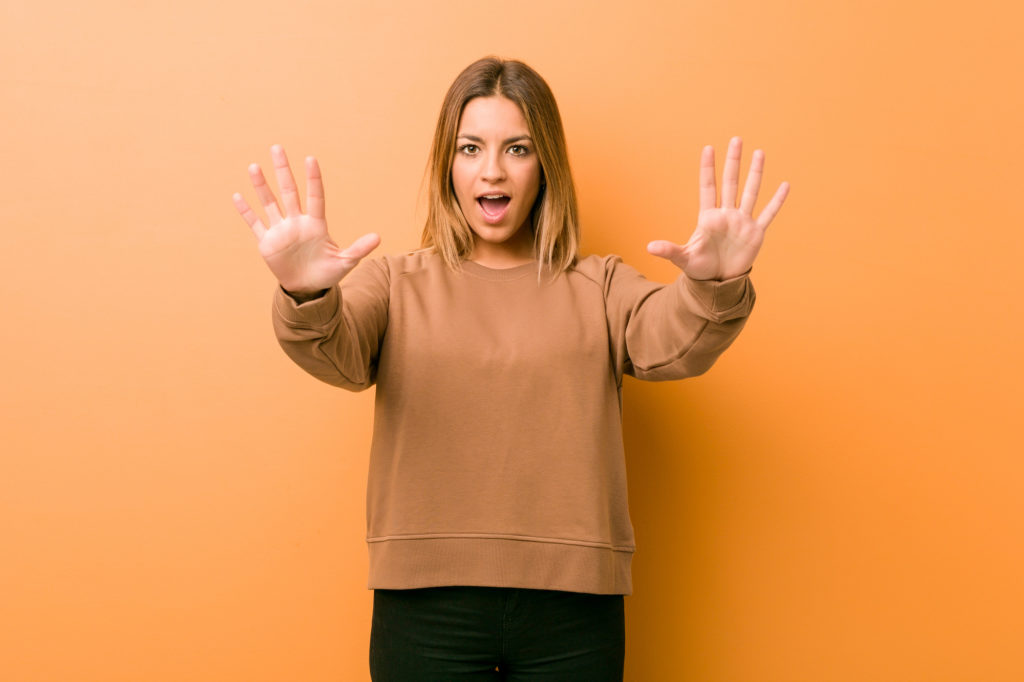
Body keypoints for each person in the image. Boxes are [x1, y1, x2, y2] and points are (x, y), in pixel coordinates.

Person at [232, 56, 788, 681]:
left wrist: (716, 281)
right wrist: (308, 294)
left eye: (516, 148)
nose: (492, 170)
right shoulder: (393, 283)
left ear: (544, 164)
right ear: (448, 164)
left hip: (574, 612)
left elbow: (673, 338)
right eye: (471, 148)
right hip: (424, 608)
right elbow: (338, 350)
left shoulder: (599, 285)